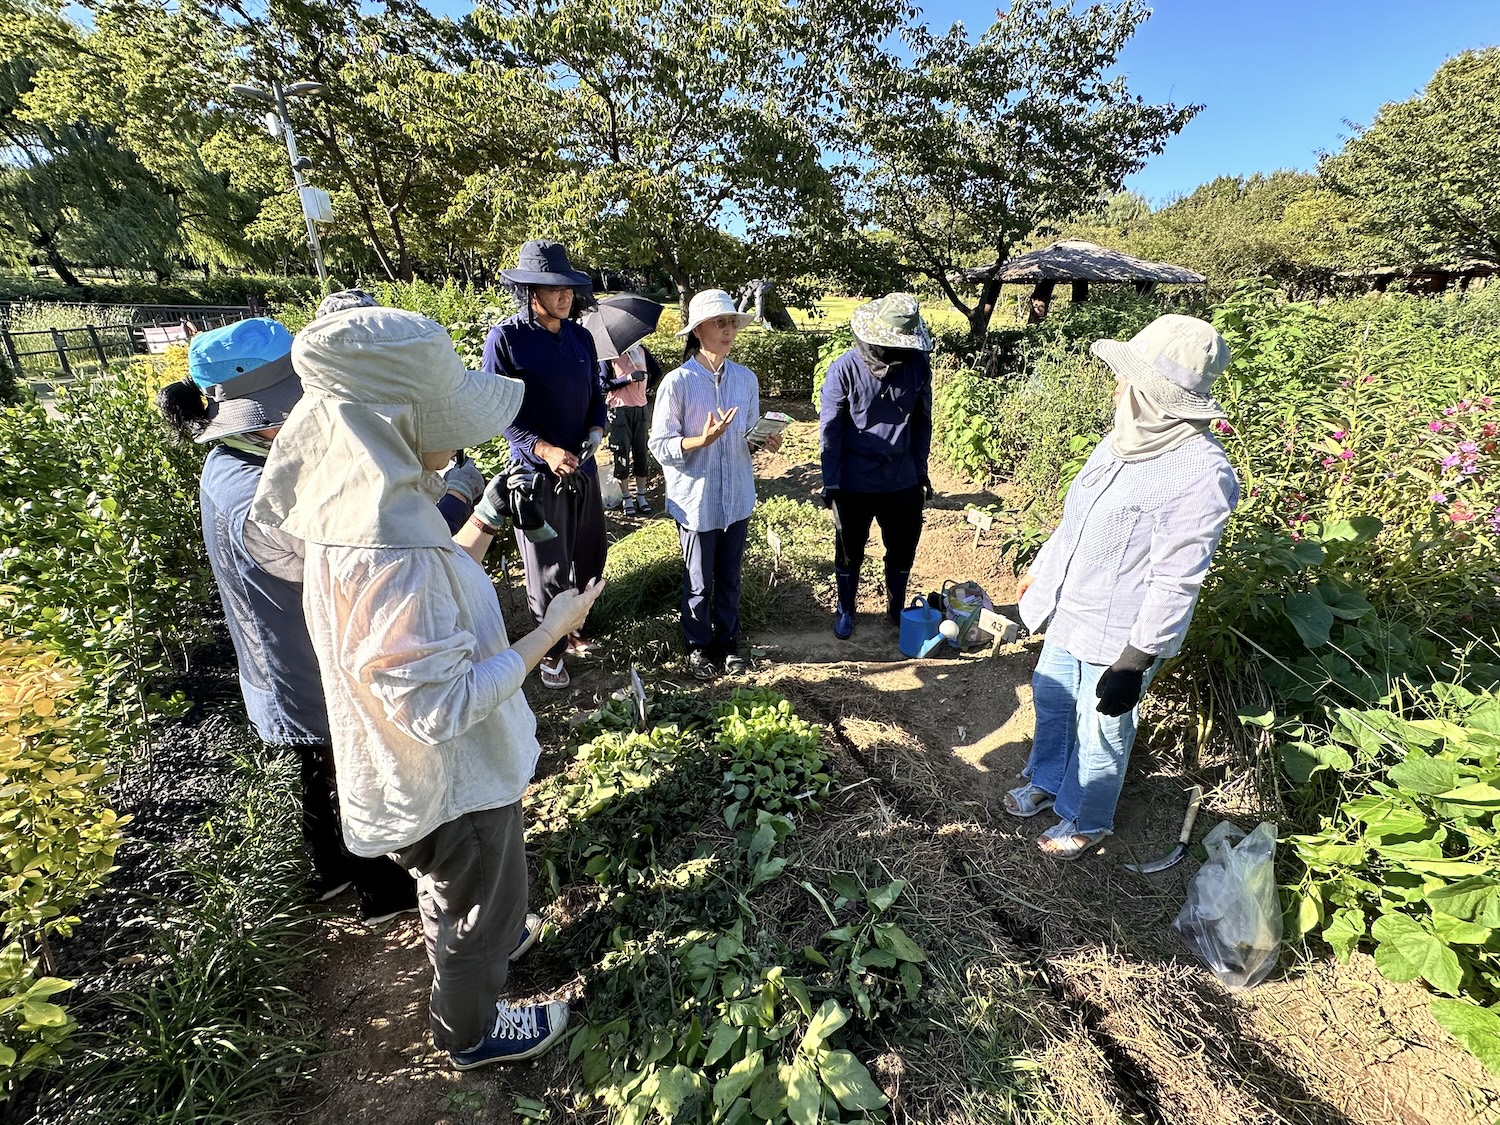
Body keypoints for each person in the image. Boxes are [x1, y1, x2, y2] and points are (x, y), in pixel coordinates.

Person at [250, 306, 605, 1067]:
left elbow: (431, 593)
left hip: (425, 781)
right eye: (447, 411)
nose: (466, 430)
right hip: (451, 787)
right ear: (394, 420)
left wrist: (480, 518)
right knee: (471, 910)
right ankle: (471, 1030)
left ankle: (496, 929)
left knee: (467, 892)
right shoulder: (389, 553)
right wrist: (549, 628)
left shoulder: (370, 510)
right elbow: (439, 705)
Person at [155, 318, 417, 922]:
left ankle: (329, 872)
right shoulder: (249, 492)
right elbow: (327, 559)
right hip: (296, 655)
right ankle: (378, 890)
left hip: (278, 646)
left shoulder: (236, 462)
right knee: (339, 766)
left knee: (314, 763)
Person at [1011, 315, 1240, 860]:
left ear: (1157, 397)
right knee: (1053, 698)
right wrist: (1042, 570)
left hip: (1122, 632)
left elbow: (1177, 578)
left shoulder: (1200, 472)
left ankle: (1088, 818)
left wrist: (1134, 661)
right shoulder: (1120, 441)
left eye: (1128, 379)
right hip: (1071, 607)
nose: (1117, 386)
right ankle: (1046, 779)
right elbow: (1076, 519)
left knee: (1102, 729)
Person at [482, 240, 606, 691]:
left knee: (589, 555)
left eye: (568, 288)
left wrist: (595, 430)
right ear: (530, 290)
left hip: (584, 467)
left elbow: (595, 394)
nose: (565, 296)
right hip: (537, 476)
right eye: (553, 289)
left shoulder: (580, 336)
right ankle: (549, 653)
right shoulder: (507, 339)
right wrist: (545, 450)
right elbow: (502, 411)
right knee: (548, 565)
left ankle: (575, 629)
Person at [648, 289, 781, 680]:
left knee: (729, 577)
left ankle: (728, 643)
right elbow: (659, 444)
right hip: (697, 499)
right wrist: (698, 441)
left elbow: (749, 437)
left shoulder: (746, 379)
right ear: (698, 330)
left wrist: (764, 440)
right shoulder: (678, 383)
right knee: (698, 581)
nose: (728, 330)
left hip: (736, 495)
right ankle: (697, 645)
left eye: (732, 323)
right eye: (720, 323)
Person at [818, 293, 934, 639]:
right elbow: (830, 430)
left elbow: (921, 422)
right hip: (853, 482)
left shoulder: (916, 366)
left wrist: (920, 471)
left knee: (902, 548)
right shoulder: (845, 369)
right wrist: (832, 480)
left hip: (901, 480)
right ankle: (845, 609)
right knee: (849, 549)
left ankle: (896, 608)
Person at [602, 341, 663, 516]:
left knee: (641, 453)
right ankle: (626, 496)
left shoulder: (641, 350)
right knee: (621, 454)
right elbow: (602, 384)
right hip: (620, 410)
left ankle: (641, 495)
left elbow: (656, 372)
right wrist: (627, 379)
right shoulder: (608, 355)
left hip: (641, 409)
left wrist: (644, 386)